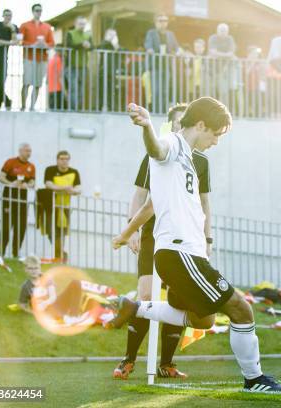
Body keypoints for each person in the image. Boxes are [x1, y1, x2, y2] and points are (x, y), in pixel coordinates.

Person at [110, 97, 281, 392]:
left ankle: (136, 308)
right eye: (216, 134)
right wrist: (147, 128)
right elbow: (156, 147)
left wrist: (125, 233)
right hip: (180, 253)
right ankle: (255, 380)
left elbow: (152, 205)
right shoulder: (173, 144)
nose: (216, 142)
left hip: (182, 254)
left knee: (203, 319)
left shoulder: (189, 161)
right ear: (202, 125)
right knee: (241, 308)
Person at [112, 103, 213, 380]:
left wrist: (207, 239)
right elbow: (142, 196)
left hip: (185, 242)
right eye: (179, 121)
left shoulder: (201, 161)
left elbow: (204, 203)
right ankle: (128, 360)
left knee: (180, 302)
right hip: (153, 237)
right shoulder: (159, 150)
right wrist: (130, 231)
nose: (184, 126)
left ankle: (166, 363)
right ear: (174, 124)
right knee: (146, 295)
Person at [0, 143, 36, 260]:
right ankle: (0, 252)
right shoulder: (10, 162)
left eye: (30, 151)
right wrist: (11, 184)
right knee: (7, 224)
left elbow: (32, 182)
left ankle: (15, 253)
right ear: (20, 151)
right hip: (9, 195)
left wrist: (27, 185)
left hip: (22, 198)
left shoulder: (31, 166)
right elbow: (0, 177)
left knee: (21, 225)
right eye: (27, 150)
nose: (29, 153)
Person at [44, 151, 81, 260]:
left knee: (62, 232)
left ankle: (58, 256)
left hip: (65, 207)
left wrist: (73, 191)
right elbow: (48, 184)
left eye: (66, 159)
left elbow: (79, 188)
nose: (64, 161)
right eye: (62, 159)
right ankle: (60, 253)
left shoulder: (74, 172)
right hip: (51, 205)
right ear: (57, 160)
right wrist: (65, 188)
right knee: (50, 231)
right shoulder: (50, 170)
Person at [144, 13, 183, 113]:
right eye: (160, 21)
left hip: (166, 66)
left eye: (165, 21)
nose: (163, 23)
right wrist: (150, 50)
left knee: (165, 90)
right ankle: (156, 111)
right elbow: (148, 45)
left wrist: (178, 52)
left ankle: (163, 111)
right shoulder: (151, 33)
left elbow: (177, 47)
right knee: (156, 90)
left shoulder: (170, 34)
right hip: (155, 66)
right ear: (156, 22)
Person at [19, 3, 55, 111]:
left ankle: (32, 107)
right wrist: (32, 45)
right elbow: (20, 41)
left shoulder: (47, 27)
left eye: (40, 10)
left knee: (38, 84)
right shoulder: (24, 25)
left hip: (42, 59)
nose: (38, 12)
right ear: (33, 11)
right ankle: (23, 106)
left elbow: (52, 43)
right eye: (37, 10)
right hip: (29, 58)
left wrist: (45, 45)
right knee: (26, 82)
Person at [0, 8, 19, 110]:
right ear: (3, 16)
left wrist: (13, 30)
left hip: (3, 57)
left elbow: (16, 41)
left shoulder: (14, 27)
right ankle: (6, 101)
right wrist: (9, 43)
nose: (8, 17)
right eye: (6, 15)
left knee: (1, 81)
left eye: (9, 15)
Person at [64, 16, 92, 110]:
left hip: (83, 66)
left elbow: (92, 47)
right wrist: (82, 45)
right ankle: (73, 109)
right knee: (73, 88)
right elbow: (69, 45)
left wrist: (89, 46)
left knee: (81, 90)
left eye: (84, 24)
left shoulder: (88, 35)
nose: (82, 26)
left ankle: (78, 108)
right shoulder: (70, 33)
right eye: (80, 24)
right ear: (76, 24)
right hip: (72, 66)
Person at [97, 28, 124, 112]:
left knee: (112, 91)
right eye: (110, 34)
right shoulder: (104, 43)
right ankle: (101, 108)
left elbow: (122, 52)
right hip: (103, 71)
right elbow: (101, 46)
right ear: (106, 36)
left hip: (112, 72)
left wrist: (116, 45)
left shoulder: (115, 45)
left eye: (114, 35)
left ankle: (112, 108)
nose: (112, 37)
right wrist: (110, 41)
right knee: (102, 90)